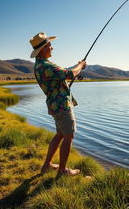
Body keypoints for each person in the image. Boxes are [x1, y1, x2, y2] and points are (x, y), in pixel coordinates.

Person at [29, 32, 86, 176]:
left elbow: (64, 73)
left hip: (55, 105)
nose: (52, 48)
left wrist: (76, 69)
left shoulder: (41, 65)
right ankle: (62, 171)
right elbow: (69, 74)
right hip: (61, 106)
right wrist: (80, 65)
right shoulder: (45, 66)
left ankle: (47, 165)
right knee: (69, 135)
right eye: (49, 45)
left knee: (60, 134)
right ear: (43, 49)